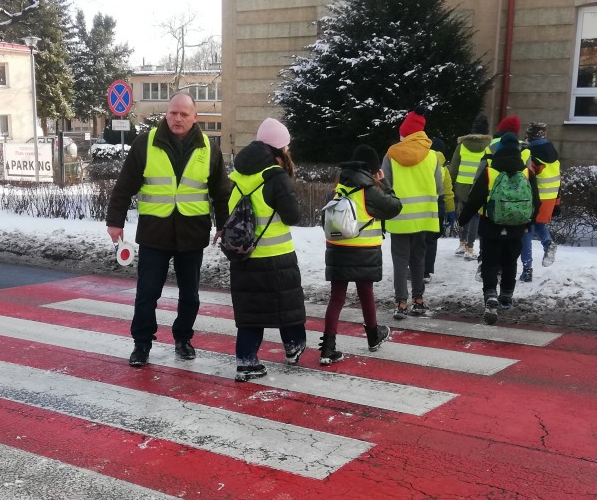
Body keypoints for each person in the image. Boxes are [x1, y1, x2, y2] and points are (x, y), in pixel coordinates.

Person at [106, 93, 229, 367]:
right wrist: (115, 221)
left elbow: (222, 192)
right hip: (155, 233)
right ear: (166, 113)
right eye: (173, 113)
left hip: (192, 234)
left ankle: (183, 339)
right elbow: (125, 185)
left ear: (195, 117)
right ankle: (142, 344)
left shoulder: (209, 148)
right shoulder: (146, 143)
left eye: (184, 114)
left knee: (190, 294)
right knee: (147, 293)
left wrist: (223, 224)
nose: (178, 118)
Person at [226, 118, 307, 381]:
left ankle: (246, 361)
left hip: (244, 257)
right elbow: (292, 216)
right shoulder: (276, 177)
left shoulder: (236, 176)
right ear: (280, 150)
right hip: (276, 257)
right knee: (288, 305)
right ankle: (294, 346)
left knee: (251, 313)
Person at [320, 144, 403, 365]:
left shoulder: (337, 189)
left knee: (336, 297)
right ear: (372, 170)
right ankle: (373, 336)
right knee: (365, 293)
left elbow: (325, 221)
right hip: (365, 252)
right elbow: (395, 207)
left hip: (338, 251)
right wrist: (384, 182)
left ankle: (328, 349)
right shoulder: (370, 190)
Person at [457, 131, 539, 324]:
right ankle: (507, 296)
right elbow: (536, 201)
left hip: (491, 225)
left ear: (499, 149)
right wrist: (528, 223)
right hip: (517, 226)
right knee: (510, 261)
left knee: (490, 262)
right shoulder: (527, 173)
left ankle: (491, 296)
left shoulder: (490, 171)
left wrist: (462, 220)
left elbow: (475, 199)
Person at [381, 111, 442, 319]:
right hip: (423, 217)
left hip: (398, 216)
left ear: (405, 133)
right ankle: (418, 301)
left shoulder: (391, 154)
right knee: (418, 258)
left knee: (400, 259)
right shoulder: (432, 156)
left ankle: (400, 303)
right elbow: (440, 187)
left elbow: (384, 184)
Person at [519, 121, 561, 282]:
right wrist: (557, 203)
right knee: (539, 223)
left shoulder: (529, 153)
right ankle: (548, 242)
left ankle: (527, 269)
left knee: (526, 232)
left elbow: (526, 178)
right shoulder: (553, 153)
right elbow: (559, 179)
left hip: (533, 199)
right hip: (549, 199)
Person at [448, 115, 493, 261]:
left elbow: (454, 168)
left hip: (462, 185)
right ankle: (470, 247)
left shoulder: (462, 145)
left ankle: (462, 242)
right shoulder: (489, 146)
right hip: (479, 186)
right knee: (475, 215)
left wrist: (450, 185)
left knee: (462, 213)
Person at [422, 134, 455, 282]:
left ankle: (416, 267)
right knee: (432, 239)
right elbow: (448, 193)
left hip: (421, 206)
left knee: (418, 239)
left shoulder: (422, 164)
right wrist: (451, 211)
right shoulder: (444, 169)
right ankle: (427, 271)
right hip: (437, 208)